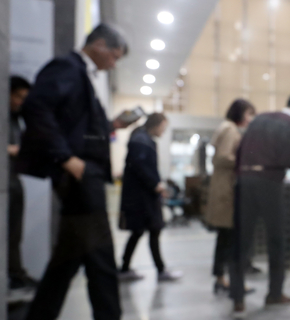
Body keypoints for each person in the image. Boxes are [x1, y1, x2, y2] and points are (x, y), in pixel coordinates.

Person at [18, 24, 131, 320]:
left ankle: (40, 315)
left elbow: (77, 126)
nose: (113, 64)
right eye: (114, 56)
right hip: (79, 173)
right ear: (99, 45)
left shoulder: (82, 74)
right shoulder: (67, 67)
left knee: (68, 256)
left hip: (84, 172)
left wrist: (112, 126)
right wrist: (66, 158)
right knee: (101, 255)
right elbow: (37, 108)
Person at [229, 94, 290, 316]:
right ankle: (274, 294)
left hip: (244, 181)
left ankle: (237, 298)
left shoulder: (259, 119)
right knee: (276, 240)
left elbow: (241, 150)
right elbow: (289, 158)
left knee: (241, 241)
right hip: (269, 184)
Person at [118, 113, 183, 282]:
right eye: (163, 127)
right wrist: (155, 185)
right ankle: (159, 270)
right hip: (142, 198)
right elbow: (140, 166)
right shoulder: (141, 140)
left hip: (143, 196)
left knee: (140, 232)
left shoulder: (142, 138)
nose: (164, 130)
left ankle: (125, 268)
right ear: (157, 124)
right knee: (152, 230)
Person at [205, 99, 256, 294]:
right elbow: (223, 157)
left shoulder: (226, 128)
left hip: (223, 187)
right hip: (227, 190)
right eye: (249, 114)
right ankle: (230, 282)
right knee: (230, 239)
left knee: (225, 238)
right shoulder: (230, 130)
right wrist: (247, 161)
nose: (251, 119)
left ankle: (222, 278)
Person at [7, 76, 37, 296]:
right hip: (6, 181)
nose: (20, 102)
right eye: (17, 96)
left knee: (14, 233)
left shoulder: (16, 119)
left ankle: (16, 275)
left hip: (13, 181)